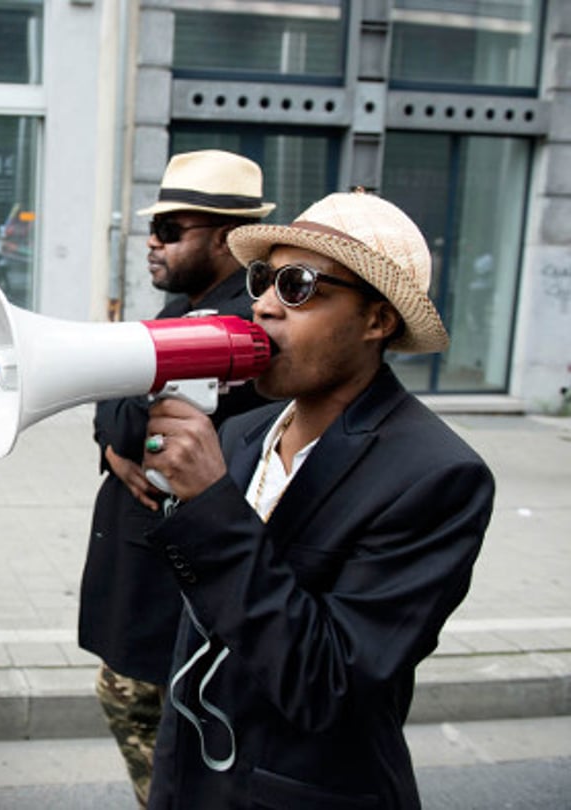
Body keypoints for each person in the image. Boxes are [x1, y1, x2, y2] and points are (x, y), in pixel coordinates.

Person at [139, 190, 495, 809]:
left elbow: (327, 684)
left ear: (377, 321)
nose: (263, 305)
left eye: (298, 286)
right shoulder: (243, 433)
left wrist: (212, 506)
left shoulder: (438, 476)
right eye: (263, 280)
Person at [78, 150, 274, 808]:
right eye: (151, 229)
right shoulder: (179, 306)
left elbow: (135, 415)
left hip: (175, 588)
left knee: (170, 739)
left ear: (224, 239)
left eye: (170, 230)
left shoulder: (239, 327)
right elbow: (112, 405)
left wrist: (120, 424)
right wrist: (114, 443)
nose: (152, 244)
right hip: (148, 568)